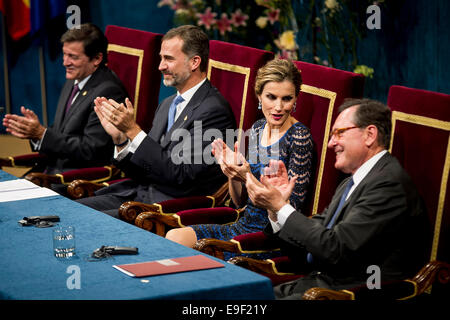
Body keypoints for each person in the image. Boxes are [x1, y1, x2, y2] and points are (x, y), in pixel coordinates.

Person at [245, 98, 430, 299]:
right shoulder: (351, 182)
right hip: (316, 286)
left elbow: (334, 249)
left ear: (370, 135)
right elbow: (314, 244)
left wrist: (281, 207)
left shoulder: (388, 185)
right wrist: (276, 209)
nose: (331, 143)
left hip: (352, 293)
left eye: (339, 133)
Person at [76, 25, 236, 217]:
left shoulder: (213, 111)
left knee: (85, 220)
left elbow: (180, 175)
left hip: (166, 209)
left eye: (168, 59)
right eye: (161, 58)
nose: (160, 66)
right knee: (71, 210)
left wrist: (133, 130)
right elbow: (145, 169)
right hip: (137, 195)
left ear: (194, 62)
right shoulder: (168, 104)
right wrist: (121, 139)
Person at [165, 59, 314, 260]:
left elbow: (292, 211)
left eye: (287, 99)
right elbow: (239, 202)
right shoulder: (257, 128)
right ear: (259, 96)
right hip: (243, 225)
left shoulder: (299, 136)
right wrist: (232, 174)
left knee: (203, 254)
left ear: (296, 100)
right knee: (174, 237)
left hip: (272, 235)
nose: (279, 107)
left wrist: (247, 178)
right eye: (271, 97)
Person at [2, 23, 128, 181]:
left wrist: (42, 134)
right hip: (51, 170)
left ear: (97, 58)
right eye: (64, 54)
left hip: (75, 179)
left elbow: (92, 150)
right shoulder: (74, 79)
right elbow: (62, 130)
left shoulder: (108, 92)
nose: (65, 62)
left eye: (73, 57)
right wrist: (36, 134)